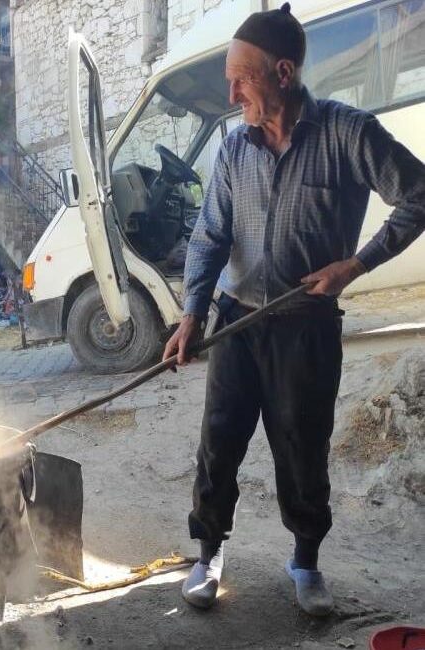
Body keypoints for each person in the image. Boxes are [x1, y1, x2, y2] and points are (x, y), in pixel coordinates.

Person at [162, 3, 425, 616]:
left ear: (283, 73)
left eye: (241, 79)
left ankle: (305, 563)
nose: (231, 93)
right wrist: (192, 314)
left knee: (302, 445)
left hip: (306, 328)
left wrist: (356, 265)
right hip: (238, 322)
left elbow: (418, 194)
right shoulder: (233, 150)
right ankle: (208, 556)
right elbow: (209, 237)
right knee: (219, 442)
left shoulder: (347, 133)